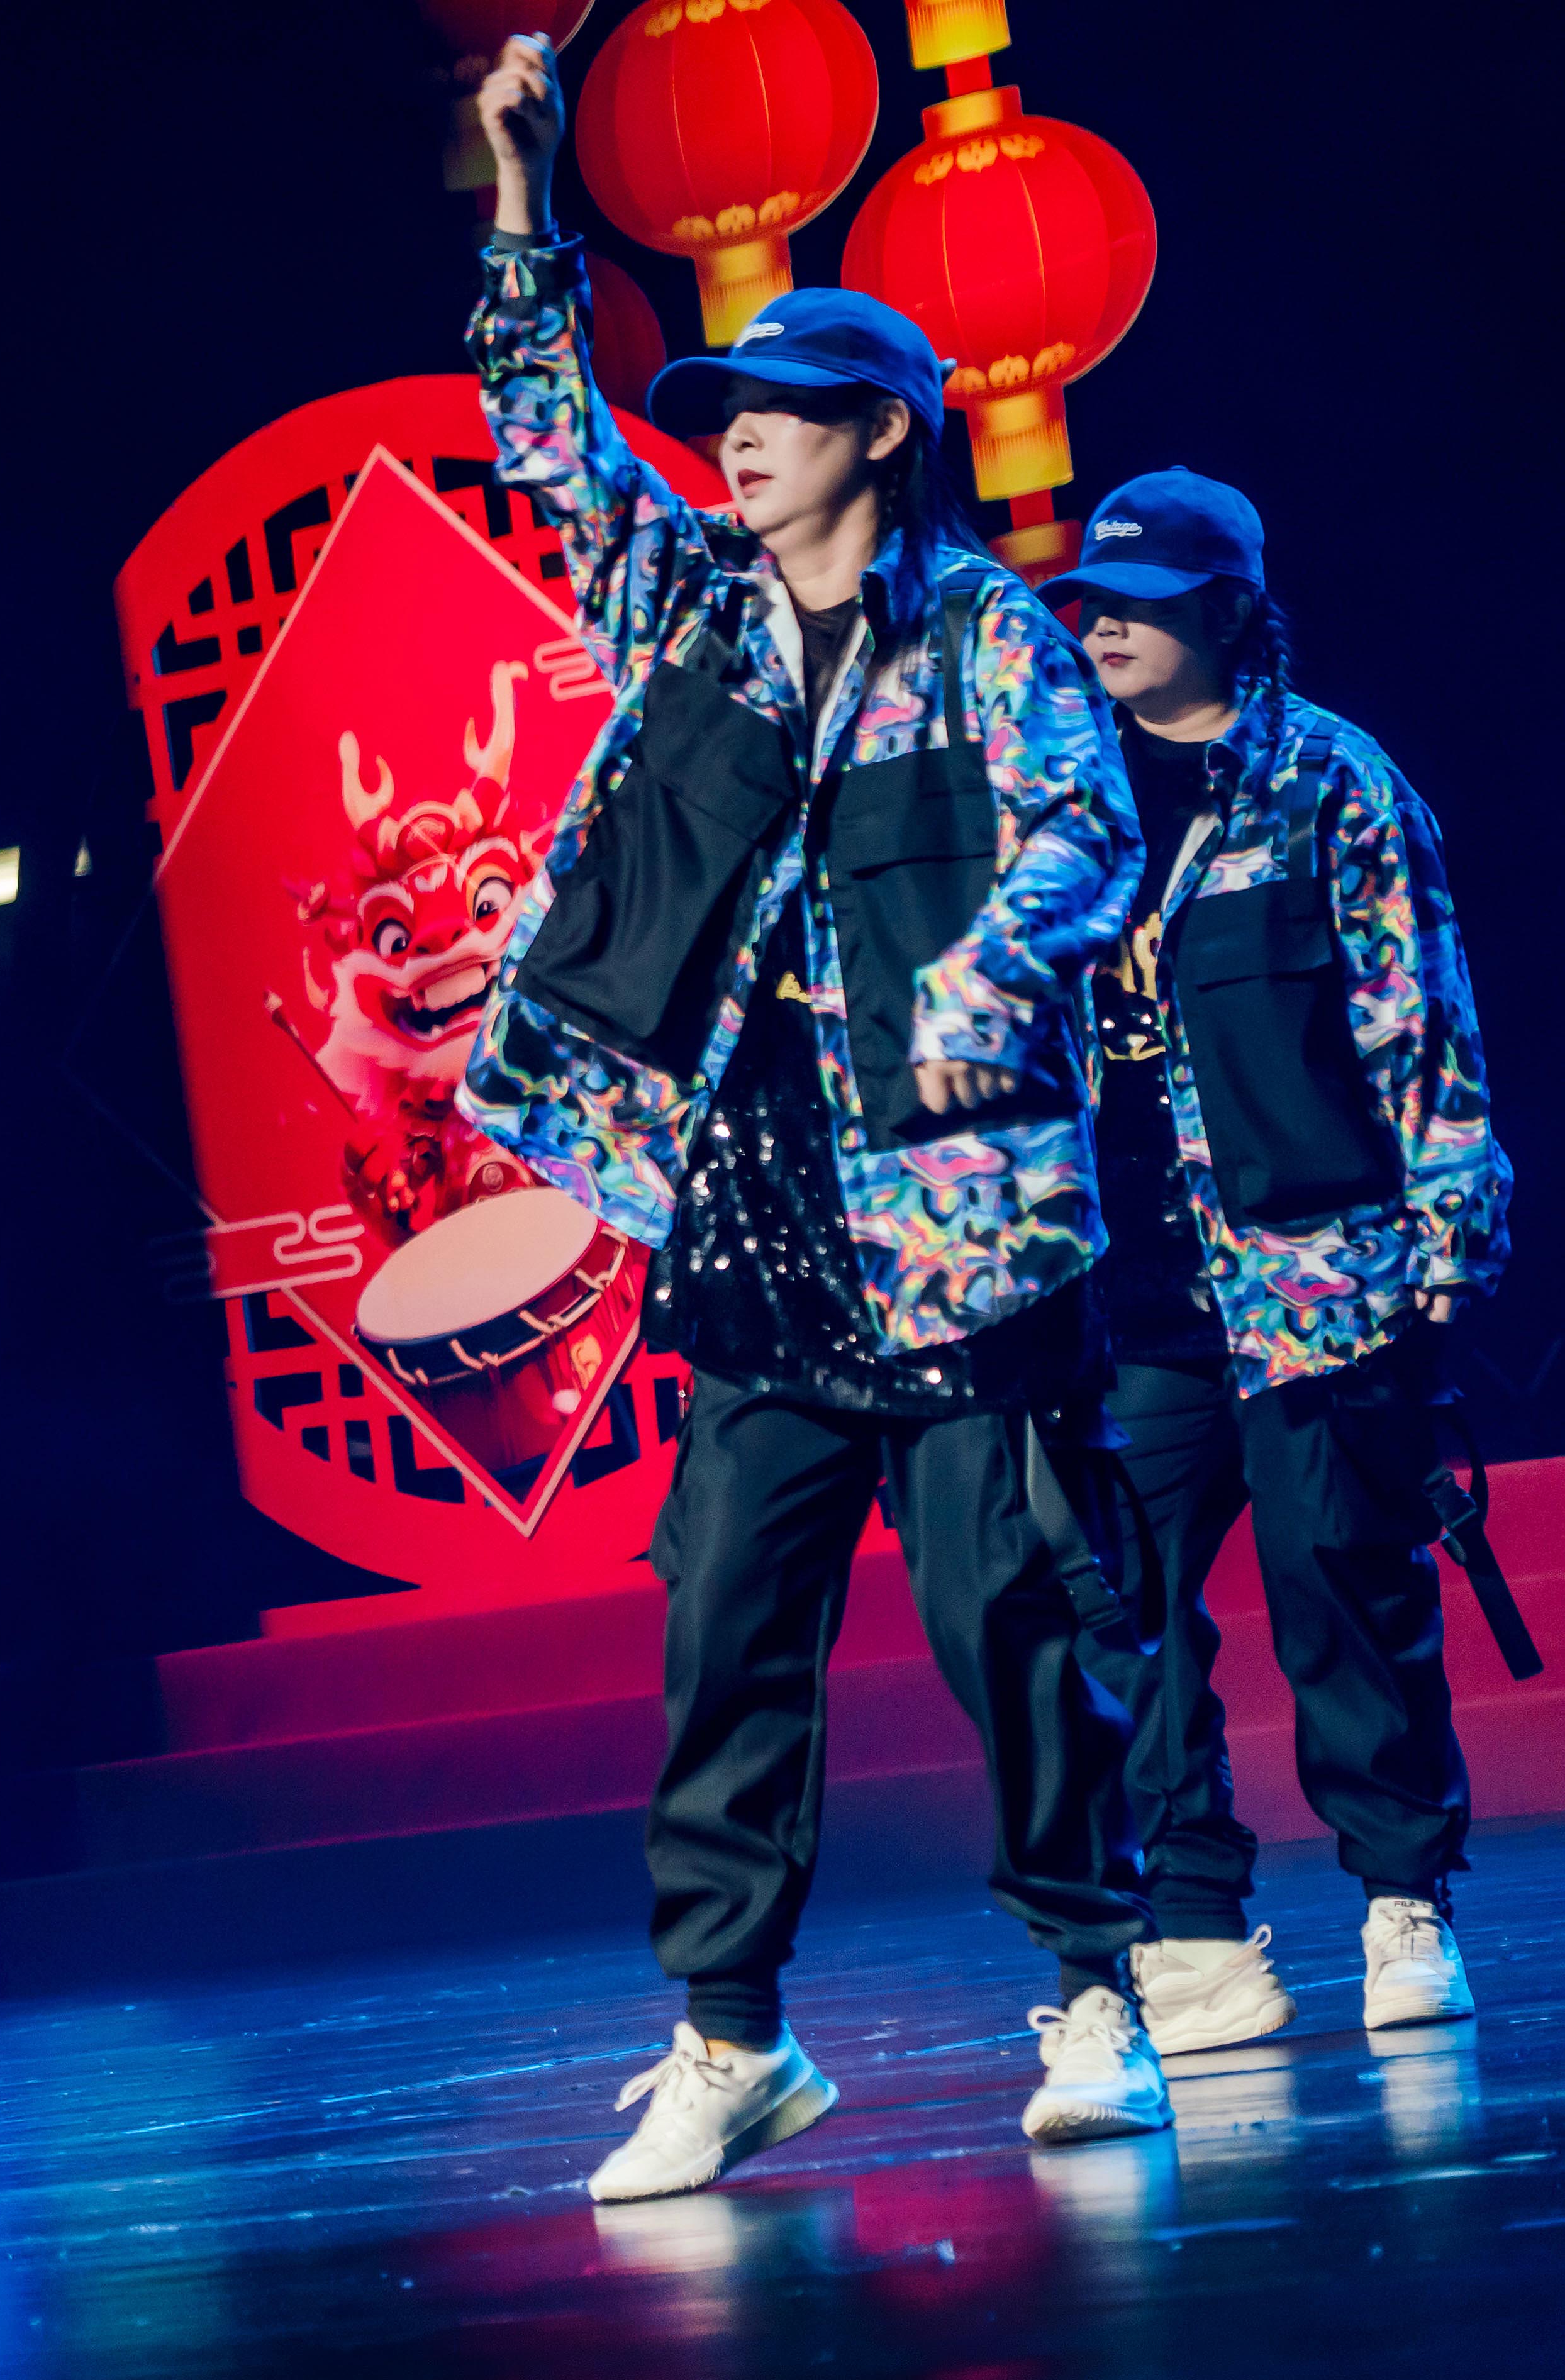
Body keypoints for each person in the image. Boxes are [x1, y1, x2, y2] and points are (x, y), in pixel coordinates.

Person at [460, 36, 1167, 2203]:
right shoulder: (684, 607)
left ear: (880, 430)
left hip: (949, 1214)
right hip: (755, 1204)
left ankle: (1093, 1991)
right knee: (724, 1640)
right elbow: (544, 433)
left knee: (1009, 1623)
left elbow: (1083, 837)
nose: (735, 439)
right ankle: (729, 2035)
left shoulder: (985, 636)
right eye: (722, 416)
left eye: (776, 409)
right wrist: (522, 193)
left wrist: (981, 980)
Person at [1050, 472, 1513, 2050]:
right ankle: (1194, 1930)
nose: (1106, 624)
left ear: (1232, 608)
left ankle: (1404, 1899)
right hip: (1126, 1297)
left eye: (1144, 598)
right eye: (1094, 599)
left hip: (1318, 1278)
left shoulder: (1332, 781)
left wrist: (1451, 1225)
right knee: (1118, 1612)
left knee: (1344, 1587)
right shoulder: (1060, 791)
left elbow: (1418, 1016)